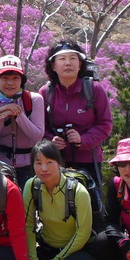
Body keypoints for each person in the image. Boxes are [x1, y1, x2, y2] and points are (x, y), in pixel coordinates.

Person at [23, 140, 97, 260]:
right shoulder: (31, 186)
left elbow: (83, 233)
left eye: (49, 162)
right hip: (48, 248)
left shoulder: (78, 191)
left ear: (59, 163)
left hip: (78, 249)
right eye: (38, 163)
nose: (44, 168)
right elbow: (28, 225)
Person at [39, 41, 113, 189]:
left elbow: (105, 124)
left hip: (89, 160)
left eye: (73, 58)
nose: (68, 63)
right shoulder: (45, 92)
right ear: (53, 66)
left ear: (80, 64)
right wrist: (50, 141)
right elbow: (40, 127)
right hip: (55, 161)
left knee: (90, 207)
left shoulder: (94, 89)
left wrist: (83, 140)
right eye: (62, 59)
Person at [0, 56, 45, 186]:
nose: (10, 83)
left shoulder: (34, 99)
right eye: (4, 78)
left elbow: (37, 136)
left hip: (29, 165)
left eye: (15, 78)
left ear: (22, 80)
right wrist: (0, 114)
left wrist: (18, 114)